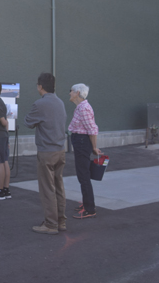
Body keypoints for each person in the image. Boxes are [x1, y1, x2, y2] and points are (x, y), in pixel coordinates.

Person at [24, 72, 68, 235]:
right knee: (58, 186)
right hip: (60, 150)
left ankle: (50, 224)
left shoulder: (40, 104)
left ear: (40, 86)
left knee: (47, 188)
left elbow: (28, 122)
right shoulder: (60, 102)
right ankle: (61, 221)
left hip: (46, 151)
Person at [68, 83, 102, 220]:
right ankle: (87, 204)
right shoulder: (80, 107)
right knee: (82, 174)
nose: (69, 93)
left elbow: (92, 129)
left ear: (77, 93)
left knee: (83, 175)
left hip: (82, 142)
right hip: (80, 141)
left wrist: (94, 147)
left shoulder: (84, 108)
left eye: (71, 91)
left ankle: (89, 208)